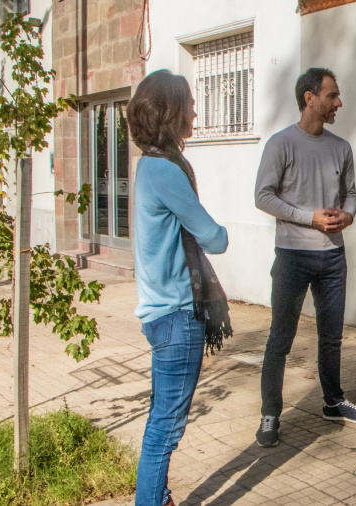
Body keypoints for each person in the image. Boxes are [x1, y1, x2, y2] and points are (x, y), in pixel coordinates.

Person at [254, 67, 356, 448]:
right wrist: (311, 218)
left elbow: (351, 194)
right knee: (280, 338)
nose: (339, 102)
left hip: (333, 258)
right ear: (310, 98)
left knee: (332, 338)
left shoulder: (341, 147)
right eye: (332, 95)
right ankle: (271, 414)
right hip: (292, 256)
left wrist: (348, 216)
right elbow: (263, 196)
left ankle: (333, 402)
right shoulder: (281, 144)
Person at [129, 69, 231, 506]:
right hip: (176, 315)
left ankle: (160, 496)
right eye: (189, 104)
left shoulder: (149, 165)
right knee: (165, 428)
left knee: (162, 420)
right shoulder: (165, 170)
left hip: (161, 313)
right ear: (170, 112)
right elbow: (214, 238)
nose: (194, 112)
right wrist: (221, 230)